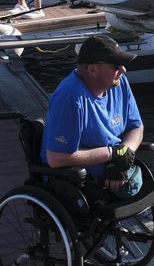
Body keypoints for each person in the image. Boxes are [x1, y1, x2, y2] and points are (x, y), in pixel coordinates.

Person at [42, 35, 144, 199]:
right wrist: (111, 154)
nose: (123, 70)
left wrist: (122, 158)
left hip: (115, 171)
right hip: (80, 182)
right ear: (93, 70)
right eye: (116, 66)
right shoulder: (70, 97)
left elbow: (136, 127)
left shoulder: (120, 83)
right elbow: (56, 158)